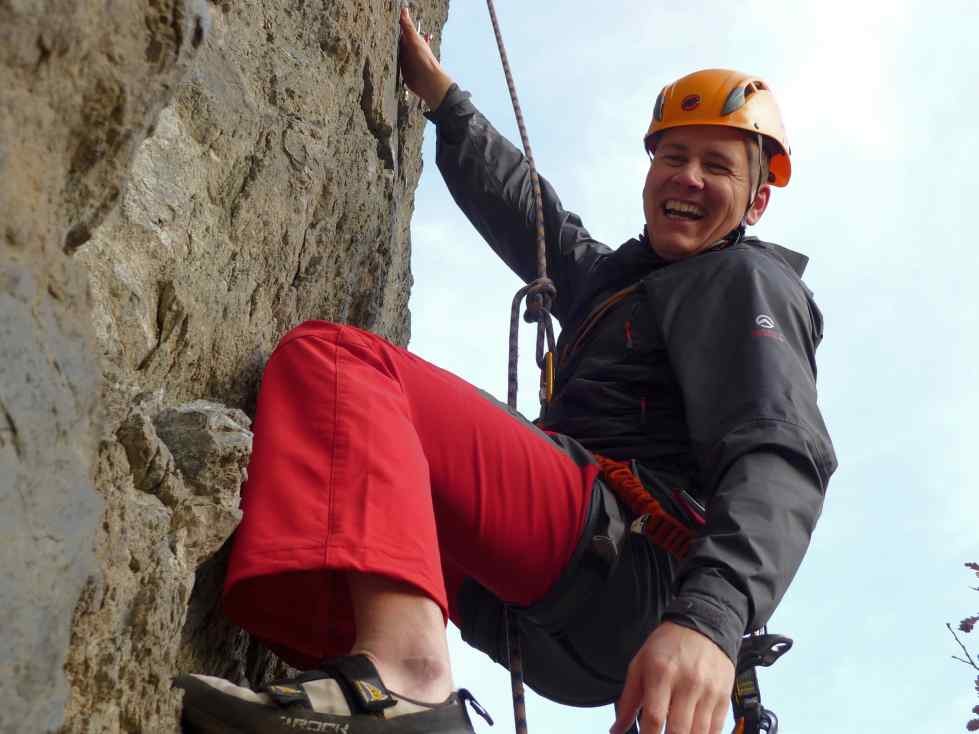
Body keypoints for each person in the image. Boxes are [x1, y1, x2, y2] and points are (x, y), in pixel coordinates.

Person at [175, 7, 836, 734]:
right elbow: (539, 224)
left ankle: (408, 680)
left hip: (637, 564)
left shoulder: (743, 278)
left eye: (717, 166)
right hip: (571, 611)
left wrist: (711, 619)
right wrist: (444, 102)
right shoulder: (625, 285)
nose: (687, 177)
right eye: (672, 156)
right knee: (340, 492)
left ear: (757, 199)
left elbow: (778, 454)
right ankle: (347, 696)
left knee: (339, 366)